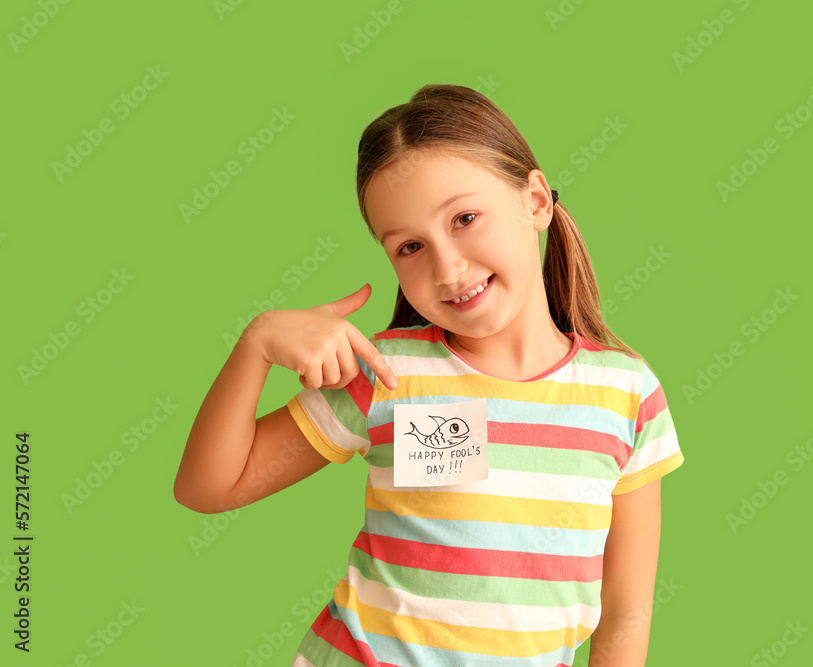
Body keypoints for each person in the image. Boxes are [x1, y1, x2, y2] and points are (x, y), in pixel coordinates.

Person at [173, 83, 684, 667]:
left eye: (465, 217)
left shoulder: (627, 395)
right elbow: (206, 488)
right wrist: (256, 346)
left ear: (536, 201)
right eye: (411, 246)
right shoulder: (389, 372)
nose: (448, 266)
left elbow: (626, 609)